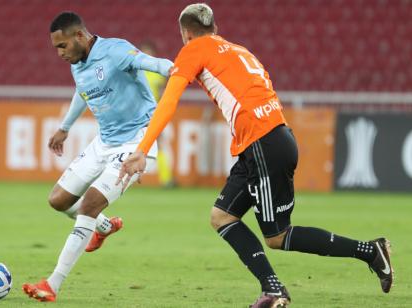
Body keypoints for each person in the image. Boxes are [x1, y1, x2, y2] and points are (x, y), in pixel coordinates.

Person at [117, 3, 393, 308]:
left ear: (185, 33)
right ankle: (273, 288)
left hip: (263, 144)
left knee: (277, 236)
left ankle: (367, 251)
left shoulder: (194, 49)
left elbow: (168, 102)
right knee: (222, 217)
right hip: (270, 140)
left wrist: (142, 150)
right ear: (215, 29)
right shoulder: (240, 50)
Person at [22, 12, 173, 302]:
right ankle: (104, 227)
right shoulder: (78, 63)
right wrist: (64, 128)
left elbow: (152, 63)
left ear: (79, 35)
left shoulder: (115, 51)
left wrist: (178, 70)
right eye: (56, 48)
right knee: (58, 200)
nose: (60, 53)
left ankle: (53, 283)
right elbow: (83, 91)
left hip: (135, 143)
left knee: (88, 204)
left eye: (62, 46)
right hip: (103, 143)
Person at [140, 41, 177, 188]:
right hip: (136, 114)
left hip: (152, 114)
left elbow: (163, 93)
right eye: (144, 51)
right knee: (129, 146)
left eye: (148, 51)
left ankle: (166, 179)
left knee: (159, 145)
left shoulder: (158, 72)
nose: (146, 54)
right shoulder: (137, 69)